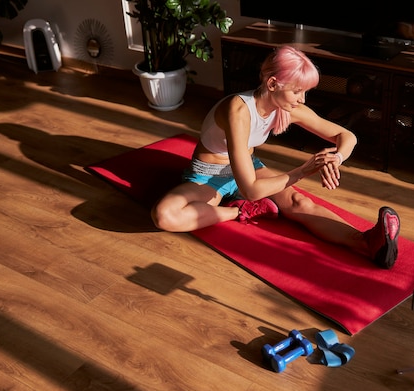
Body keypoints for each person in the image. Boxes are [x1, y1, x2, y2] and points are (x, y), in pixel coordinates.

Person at [151, 45, 400, 269]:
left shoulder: (288, 108)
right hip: (209, 175)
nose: (302, 99)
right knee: (165, 215)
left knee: (298, 203)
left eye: (305, 92)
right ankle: (239, 212)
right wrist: (300, 172)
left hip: (249, 168)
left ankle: (368, 243)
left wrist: (337, 157)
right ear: (272, 84)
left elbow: (346, 135)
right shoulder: (237, 111)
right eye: (297, 91)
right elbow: (250, 190)